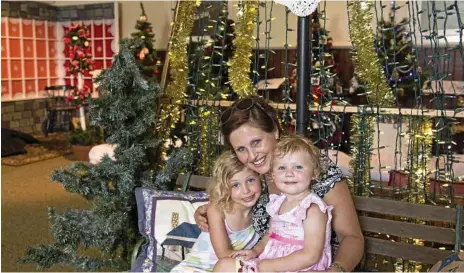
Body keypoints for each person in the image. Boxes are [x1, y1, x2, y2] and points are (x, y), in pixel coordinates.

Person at [194, 96, 364, 272]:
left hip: (311, 267)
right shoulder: (253, 175)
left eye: (256, 142)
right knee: (225, 266)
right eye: (241, 149)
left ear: (275, 130)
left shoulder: (310, 168)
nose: (252, 156)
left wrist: (336, 270)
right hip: (268, 262)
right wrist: (208, 211)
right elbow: (232, 204)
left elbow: (352, 237)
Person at [214, 135, 333, 272]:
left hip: (299, 267)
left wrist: (271, 266)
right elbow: (270, 235)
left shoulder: (312, 209)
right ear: (273, 175)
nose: (289, 173)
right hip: (270, 262)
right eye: (282, 168)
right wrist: (255, 251)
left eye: (298, 167)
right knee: (224, 266)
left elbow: (311, 256)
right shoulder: (278, 202)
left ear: (314, 173)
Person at [171, 151, 262, 273]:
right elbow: (224, 255)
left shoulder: (265, 208)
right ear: (224, 189)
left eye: (250, 180)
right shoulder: (218, 210)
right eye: (235, 185)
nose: (246, 190)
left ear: (260, 178)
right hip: (196, 268)